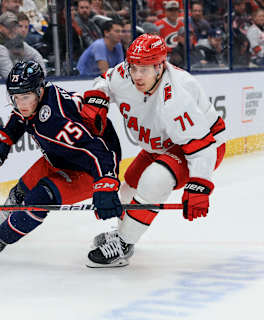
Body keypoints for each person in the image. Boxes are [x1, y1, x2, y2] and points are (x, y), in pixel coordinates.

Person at [84, 34, 226, 267]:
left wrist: (200, 183)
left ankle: (123, 245)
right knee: (129, 184)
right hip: (160, 144)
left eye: (145, 70)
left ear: (160, 66)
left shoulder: (177, 96)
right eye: (134, 68)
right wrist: (98, 97)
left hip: (201, 147)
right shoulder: (125, 73)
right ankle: (123, 233)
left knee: (154, 180)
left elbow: (201, 147)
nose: (137, 76)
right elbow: (106, 79)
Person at [0, 60, 122, 265]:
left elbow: (99, 153)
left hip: (90, 170)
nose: (20, 104)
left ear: (39, 91)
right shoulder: (38, 99)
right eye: (16, 97)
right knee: (19, 192)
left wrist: (106, 183)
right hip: (61, 158)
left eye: (25, 97)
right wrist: (5, 137)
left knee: (39, 198)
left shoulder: (58, 121)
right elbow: (21, 117)